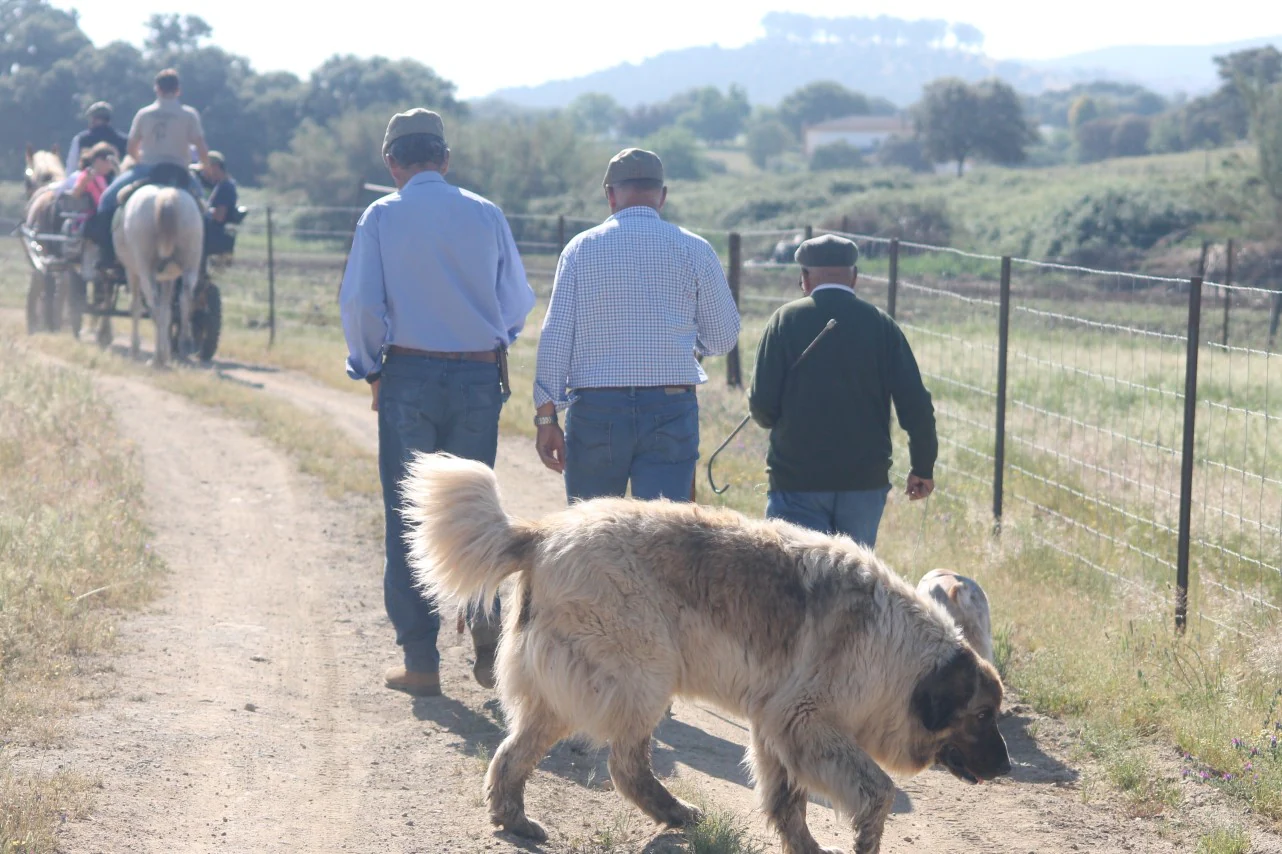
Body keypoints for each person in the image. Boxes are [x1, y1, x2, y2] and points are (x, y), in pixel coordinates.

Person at [338, 107, 536, 698]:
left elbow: (361, 307)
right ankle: (485, 640)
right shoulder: (486, 213)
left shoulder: (381, 215)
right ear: (445, 159)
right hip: (479, 376)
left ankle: (420, 660)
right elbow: (517, 301)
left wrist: (371, 366)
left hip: (409, 376)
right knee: (473, 513)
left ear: (391, 162)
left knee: (410, 515)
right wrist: (484, 338)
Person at [532, 148, 740, 503]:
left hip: (596, 408)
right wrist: (687, 341)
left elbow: (555, 338)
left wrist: (546, 419)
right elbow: (723, 338)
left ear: (610, 195)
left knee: (592, 542)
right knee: (664, 544)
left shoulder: (580, 249)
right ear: (662, 195)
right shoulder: (696, 249)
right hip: (670, 407)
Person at [747, 234, 937, 549]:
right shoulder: (881, 325)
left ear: (804, 277)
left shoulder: (784, 321)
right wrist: (922, 466)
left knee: (795, 585)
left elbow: (762, 407)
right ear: (855, 277)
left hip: (797, 480)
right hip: (863, 483)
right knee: (851, 587)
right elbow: (916, 405)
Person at [86, 68, 210, 269]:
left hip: (148, 169)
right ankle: (202, 262)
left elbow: (131, 148)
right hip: (180, 171)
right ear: (178, 90)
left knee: (107, 201)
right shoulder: (189, 115)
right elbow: (201, 147)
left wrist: (140, 159)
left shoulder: (144, 114)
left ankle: (106, 255)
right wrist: (203, 166)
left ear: (156, 89)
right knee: (206, 212)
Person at [65, 101, 128, 176]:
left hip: (88, 183)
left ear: (93, 119)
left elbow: (72, 166)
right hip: (117, 181)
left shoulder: (81, 139)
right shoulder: (124, 140)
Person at [200, 151, 238, 256]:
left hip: (213, 233)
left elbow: (219, 216)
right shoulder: (222, 184)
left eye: (206, 167)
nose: (203, 171)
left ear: (215, 167)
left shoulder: (225, 187)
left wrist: (204, 212)